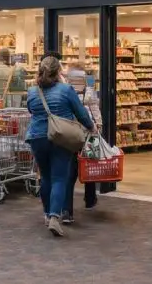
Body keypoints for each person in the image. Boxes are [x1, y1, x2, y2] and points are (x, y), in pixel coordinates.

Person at [26, 56, 95, 237]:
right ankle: (56, 216)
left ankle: (48, 214)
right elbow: (81, 113)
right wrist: (91, 127)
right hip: (60, 137)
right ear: (58, 72)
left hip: (37, 137)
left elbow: (31, 110)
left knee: (45, 177)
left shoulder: (32, 91)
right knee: (59, 178)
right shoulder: (66, 90)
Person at [64, 61, 102, 223]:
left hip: (70, 133)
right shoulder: (90, 86)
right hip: (88, 131)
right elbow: (94, 107)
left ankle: (67, 210)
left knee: (69, 171)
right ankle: (90, 198)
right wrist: (99, 125)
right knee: (90, 164)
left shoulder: (65, 89)